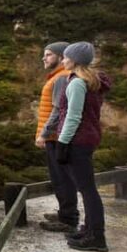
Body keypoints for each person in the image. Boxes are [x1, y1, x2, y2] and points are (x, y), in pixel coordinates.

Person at [55, 41, 112, 252]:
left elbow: (73, 117)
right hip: (87, 138)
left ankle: (96, 237)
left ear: (75, 60)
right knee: (87, 188)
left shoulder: (77, 83)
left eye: (66, 57)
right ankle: (89, 229)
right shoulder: (91, 81)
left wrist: (62, 142)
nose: (63, 60)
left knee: (87, 190)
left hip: (77, 141)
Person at [35, 42, 79, 233]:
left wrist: (43, 134)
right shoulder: (57, 76)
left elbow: (57, 110)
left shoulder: (61, 78)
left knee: (62, 177)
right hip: (55, 136)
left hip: (55, 136)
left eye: (49, 55)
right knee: (59, 176)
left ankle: (68, 219)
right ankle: (65, 213)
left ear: (62, 57)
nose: (44, 58)